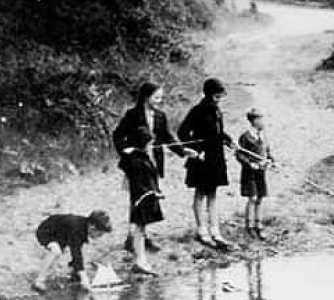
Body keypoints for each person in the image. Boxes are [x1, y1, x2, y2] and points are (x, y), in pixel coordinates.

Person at [112, 82, 198, 253]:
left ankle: (141, 236)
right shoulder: (133, 114)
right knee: (138, 197)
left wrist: (182, 150)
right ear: (146, 97)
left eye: (161, 97)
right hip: (136, 162)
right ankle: (134, 238)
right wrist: (126, 151)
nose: (159, 100)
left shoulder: (160, 116)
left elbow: (166, 136)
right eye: (156, 97)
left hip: (153, 162)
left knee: (148, 197)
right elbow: (118, 135)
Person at [178, 77, 235, 249]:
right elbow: (182, 133)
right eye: (216, 97)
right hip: (201, 158)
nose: (218, 100)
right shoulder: (197, 111)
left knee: (213, 194)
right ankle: (202, 230)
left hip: (216, 157)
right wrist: (195, 150)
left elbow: (218, 133)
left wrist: (229, 140)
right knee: (200, 193)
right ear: (208, 94)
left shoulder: (217, 111)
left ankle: (215, 231)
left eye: (220, 97)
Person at [118, 126, 164, 276]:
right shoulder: (136, 161)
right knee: (139, 228)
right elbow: (140, 183)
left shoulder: (137, 157)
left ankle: (141, 259)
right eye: (149, 143)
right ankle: (139, 261)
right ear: (142, 144)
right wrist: (151, 193)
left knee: (141, 228)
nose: (151, 146)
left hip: (143, 197)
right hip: (141, 198)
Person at [32, 210, 112, 293]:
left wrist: (79, 272)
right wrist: (84, 278)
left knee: (74, 252)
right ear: (92, 228)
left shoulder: (83, 227)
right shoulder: (76, 227)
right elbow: (75, 252)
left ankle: (75, 273)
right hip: (46, 231)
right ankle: (38, 281)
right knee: (56, 251)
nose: (100, 237)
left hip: (61, 234)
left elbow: (77, 250)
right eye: (100, 234)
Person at [236, 108, 275, 239]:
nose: (263, 122)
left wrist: (272, 161)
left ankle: (259, 225)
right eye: (261, 119)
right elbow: (239, 154)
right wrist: (249, 164)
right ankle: (249, 226)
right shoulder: (246, 136)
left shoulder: (263, 135)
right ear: (254, 121)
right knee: (252, 197)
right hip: (249, 172)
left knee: (260, 198)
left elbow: (267, 151)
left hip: (261, 171)